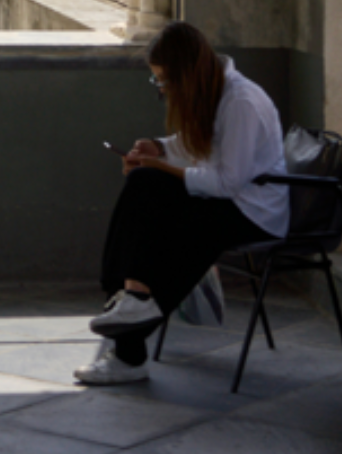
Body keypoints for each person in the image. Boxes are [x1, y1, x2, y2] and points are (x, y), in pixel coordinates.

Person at [75, 21, 289, 386]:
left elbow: (227, 182)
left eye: (164, 81)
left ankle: (128, 330)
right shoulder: (217, 92)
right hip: (228, 201)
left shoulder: (242, 103)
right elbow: (199, 143)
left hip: (254, 212)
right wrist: (158, 148)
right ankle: (129, 299)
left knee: (161, 212)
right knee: (145, 189)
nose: (162, 89)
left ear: (186, 75)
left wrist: (159, 167)